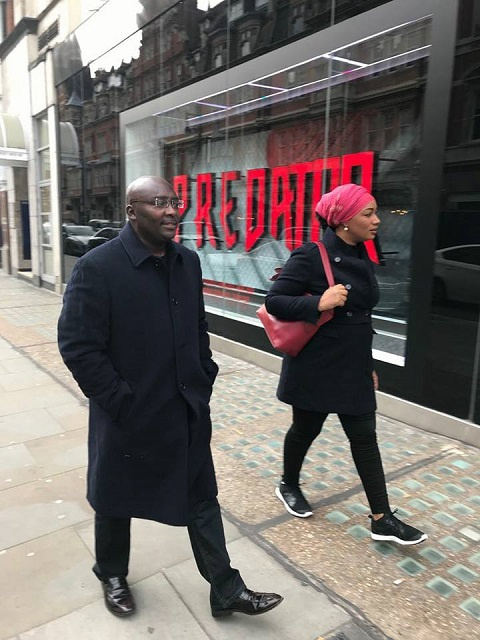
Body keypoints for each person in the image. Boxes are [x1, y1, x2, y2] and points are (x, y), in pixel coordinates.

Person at [57, 175, 283, 618]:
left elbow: (198, 324)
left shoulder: (188, 262)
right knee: (113, 495)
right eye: (158, 202)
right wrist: (119, 399)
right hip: (128, 411)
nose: (171, 210)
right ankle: (112, 572)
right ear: (131, 211)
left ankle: (225, 587)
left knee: (201, 494)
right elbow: (78, 346)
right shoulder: (98, 268)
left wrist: (204, 372)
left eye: (174, 201)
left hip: (183, 407)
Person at [265, 183, 427, 546]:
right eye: (368, 213)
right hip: (316, 366)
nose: (377, 220)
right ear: (342, 221)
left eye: (375, 212)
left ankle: (381, 518)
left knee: (365, 438)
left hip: (352, 366)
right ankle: (288, 484)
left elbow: (361, 319)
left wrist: (367, 364)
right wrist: (318, 303)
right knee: (305, 430)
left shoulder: (361, 255)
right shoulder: (311, 254)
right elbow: (275, 301)